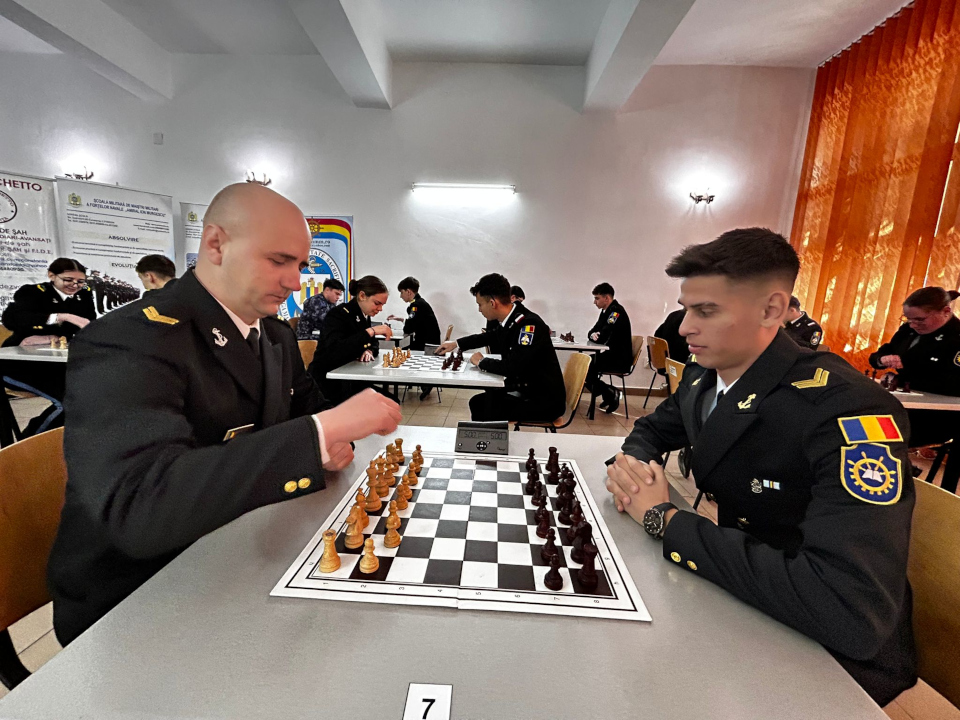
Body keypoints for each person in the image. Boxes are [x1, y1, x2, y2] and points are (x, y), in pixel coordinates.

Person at [48, 183, 401, 645]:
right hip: (143, 595)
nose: (295, 282)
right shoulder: (131, 340)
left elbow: (311, 413)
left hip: (247, 549)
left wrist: (332, 440)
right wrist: (319, 434)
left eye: (300, 265)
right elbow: (139, 507)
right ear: (215, 244)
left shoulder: (274, 335)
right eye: (278, 261)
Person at [604, 228, 916, 706]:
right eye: (686, 309)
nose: (684, 328)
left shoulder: (845, 409)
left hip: (825, 651)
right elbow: (652, 428)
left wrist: (665, 520)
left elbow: (848, 608)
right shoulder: (704, 378)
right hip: (743, 597)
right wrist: (635, 470)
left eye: (706, 311)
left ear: (771, 310)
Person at [436, 273, 565, 423]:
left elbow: (512, 367)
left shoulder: (528, 325)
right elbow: (489, 336)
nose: (479, 310)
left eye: (480, 304)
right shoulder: (513, 318)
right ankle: (489, 437)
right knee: (481, 402)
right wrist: (456, 344)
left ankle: (489, 438)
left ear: (492, 303)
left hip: (544, 401)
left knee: (481, 406)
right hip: (527, 390)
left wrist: (482, 362)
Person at [869, 286, 960, 492]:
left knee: (877, 434)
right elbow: (880, 354)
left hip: (936, 417)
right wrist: (882, 360)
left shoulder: (956, 338)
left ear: (946, 311)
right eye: (908, 319)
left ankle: (893, 478)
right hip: (903, 406)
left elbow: (953, 384)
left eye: (919, 319)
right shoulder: (909, 330)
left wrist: (904, 378)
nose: (913, 324)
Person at [0, 257, 97, 435]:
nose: (75, 285)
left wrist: (54, 335)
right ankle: (32, 440)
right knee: (69, 401)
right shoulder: (33, 293)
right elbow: (12, 319)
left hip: (58, 363)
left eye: (80, 281)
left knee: (93, 395)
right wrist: (61, 316)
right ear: (52, 276)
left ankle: (61, 438)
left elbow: (86, 324)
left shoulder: (84, 295)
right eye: (68, 280)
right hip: (20, 364)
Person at [308, 275, 396, 404]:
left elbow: (373, 343)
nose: (380, 309)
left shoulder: (363, 315)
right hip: (329, 382)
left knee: (391, 402)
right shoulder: (338, 314)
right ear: (362, 296)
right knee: (388, 403)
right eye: (377, 303)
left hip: (351, 380)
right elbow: (336, 349)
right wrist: (371, 331)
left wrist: (369, 351)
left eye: (382, 305)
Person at [388, 276, 441, 400]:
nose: (400, 296)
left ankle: (423, 383)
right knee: (405, 350)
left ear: (408, 291)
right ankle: (421, 383)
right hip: (429, 340)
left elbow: (409, 328)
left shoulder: (416, 305)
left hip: (427, 344)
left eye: (401, 292)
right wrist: (400, 319)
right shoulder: (420, 303)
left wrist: (405, 323)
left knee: (402, 353)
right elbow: (415, 322)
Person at [584, 282, 633, 413]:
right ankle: (609, 393)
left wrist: (596, 336)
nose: (594, 302)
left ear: (606, 298)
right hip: (611, 355)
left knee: (587, 365)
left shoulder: (616, 312)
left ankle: (609, 393)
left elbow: (604, 334)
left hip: (619, 358)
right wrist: (592, 335)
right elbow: (593, 330)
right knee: (585, 363)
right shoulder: (605, 311)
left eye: (597, 298)